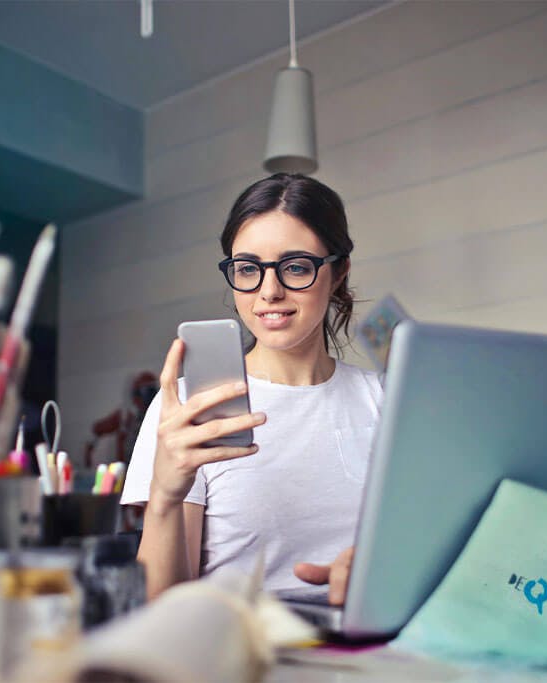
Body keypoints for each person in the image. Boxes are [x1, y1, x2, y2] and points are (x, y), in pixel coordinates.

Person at [121, 173, 383, 602]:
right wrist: (165, 495)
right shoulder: (190, 408)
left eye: (296, 267)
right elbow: (161, 607)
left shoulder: (386, 401)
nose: (269, 291)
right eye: (248, 269)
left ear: (338, 273)